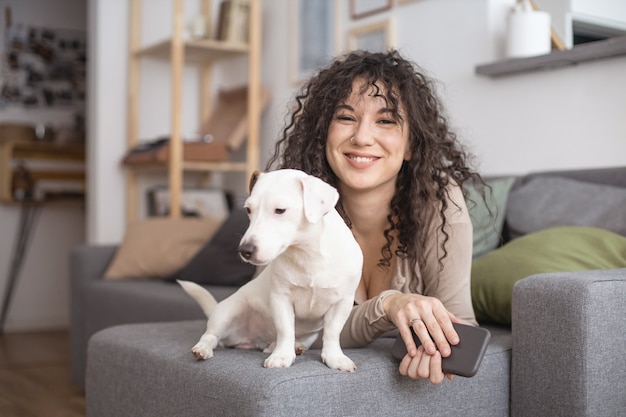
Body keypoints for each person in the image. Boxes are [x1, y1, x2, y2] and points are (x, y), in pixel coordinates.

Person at [265, 49, 483, 384]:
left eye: (385, 120)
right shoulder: (295, 201)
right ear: (323, 133)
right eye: (346, 117)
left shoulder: (439, 200)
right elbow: (292, 328)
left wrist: (437, 343)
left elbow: (460, 325)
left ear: (411, 144)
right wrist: (388, 306)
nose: (363, 137)